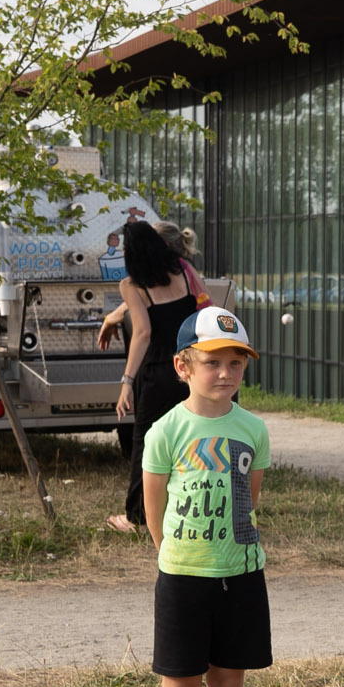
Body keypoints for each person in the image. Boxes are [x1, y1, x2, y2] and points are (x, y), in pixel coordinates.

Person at [138, 305, 271, 687]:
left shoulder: (253, 430)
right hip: (183, 578)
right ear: (182, 366)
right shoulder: (165, 431)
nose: (225, 373)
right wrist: (175, 558)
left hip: (239, 577)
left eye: (236, 362)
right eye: (212, 361)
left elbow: (250, 499)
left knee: (228, 685)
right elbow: (154, 510)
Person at [109, 218, 201, 535]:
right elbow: (204, 307)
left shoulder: (132, 285)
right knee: (188, 441)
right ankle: (189, 505)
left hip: (159, 372)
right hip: (191, 368)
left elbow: (143, 333)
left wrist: (126, 382)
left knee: (146, 442)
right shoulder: (184, 271)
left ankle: (136, 517)